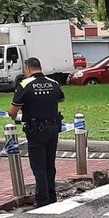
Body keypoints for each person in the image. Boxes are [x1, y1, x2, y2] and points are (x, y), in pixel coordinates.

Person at [8, 57, 65, 208]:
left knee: (38, 165)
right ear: (40, 67)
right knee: (50, 164)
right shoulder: (54, 83)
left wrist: (16, 117)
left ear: (27, 69)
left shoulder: (25, 84)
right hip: (53, 128)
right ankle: (51, 196)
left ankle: (42, 199)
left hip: (36, 130)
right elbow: (60, 99)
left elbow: (12, 111)